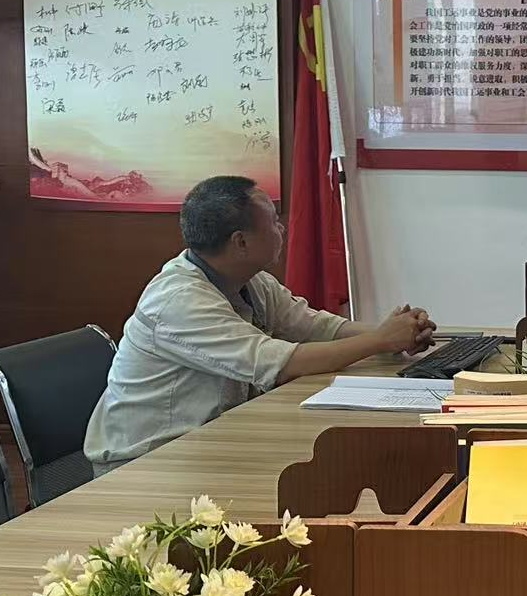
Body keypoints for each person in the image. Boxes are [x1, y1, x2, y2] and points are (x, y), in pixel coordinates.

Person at [85, 176, 436, 471]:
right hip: (147, 461)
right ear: (241, 241)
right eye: (272, 221)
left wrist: (396, 331)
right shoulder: (179, 301)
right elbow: (282, 364)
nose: (281, 228)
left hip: (213, 439)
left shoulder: (250, 280)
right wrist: (380, 340)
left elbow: (316, 327)